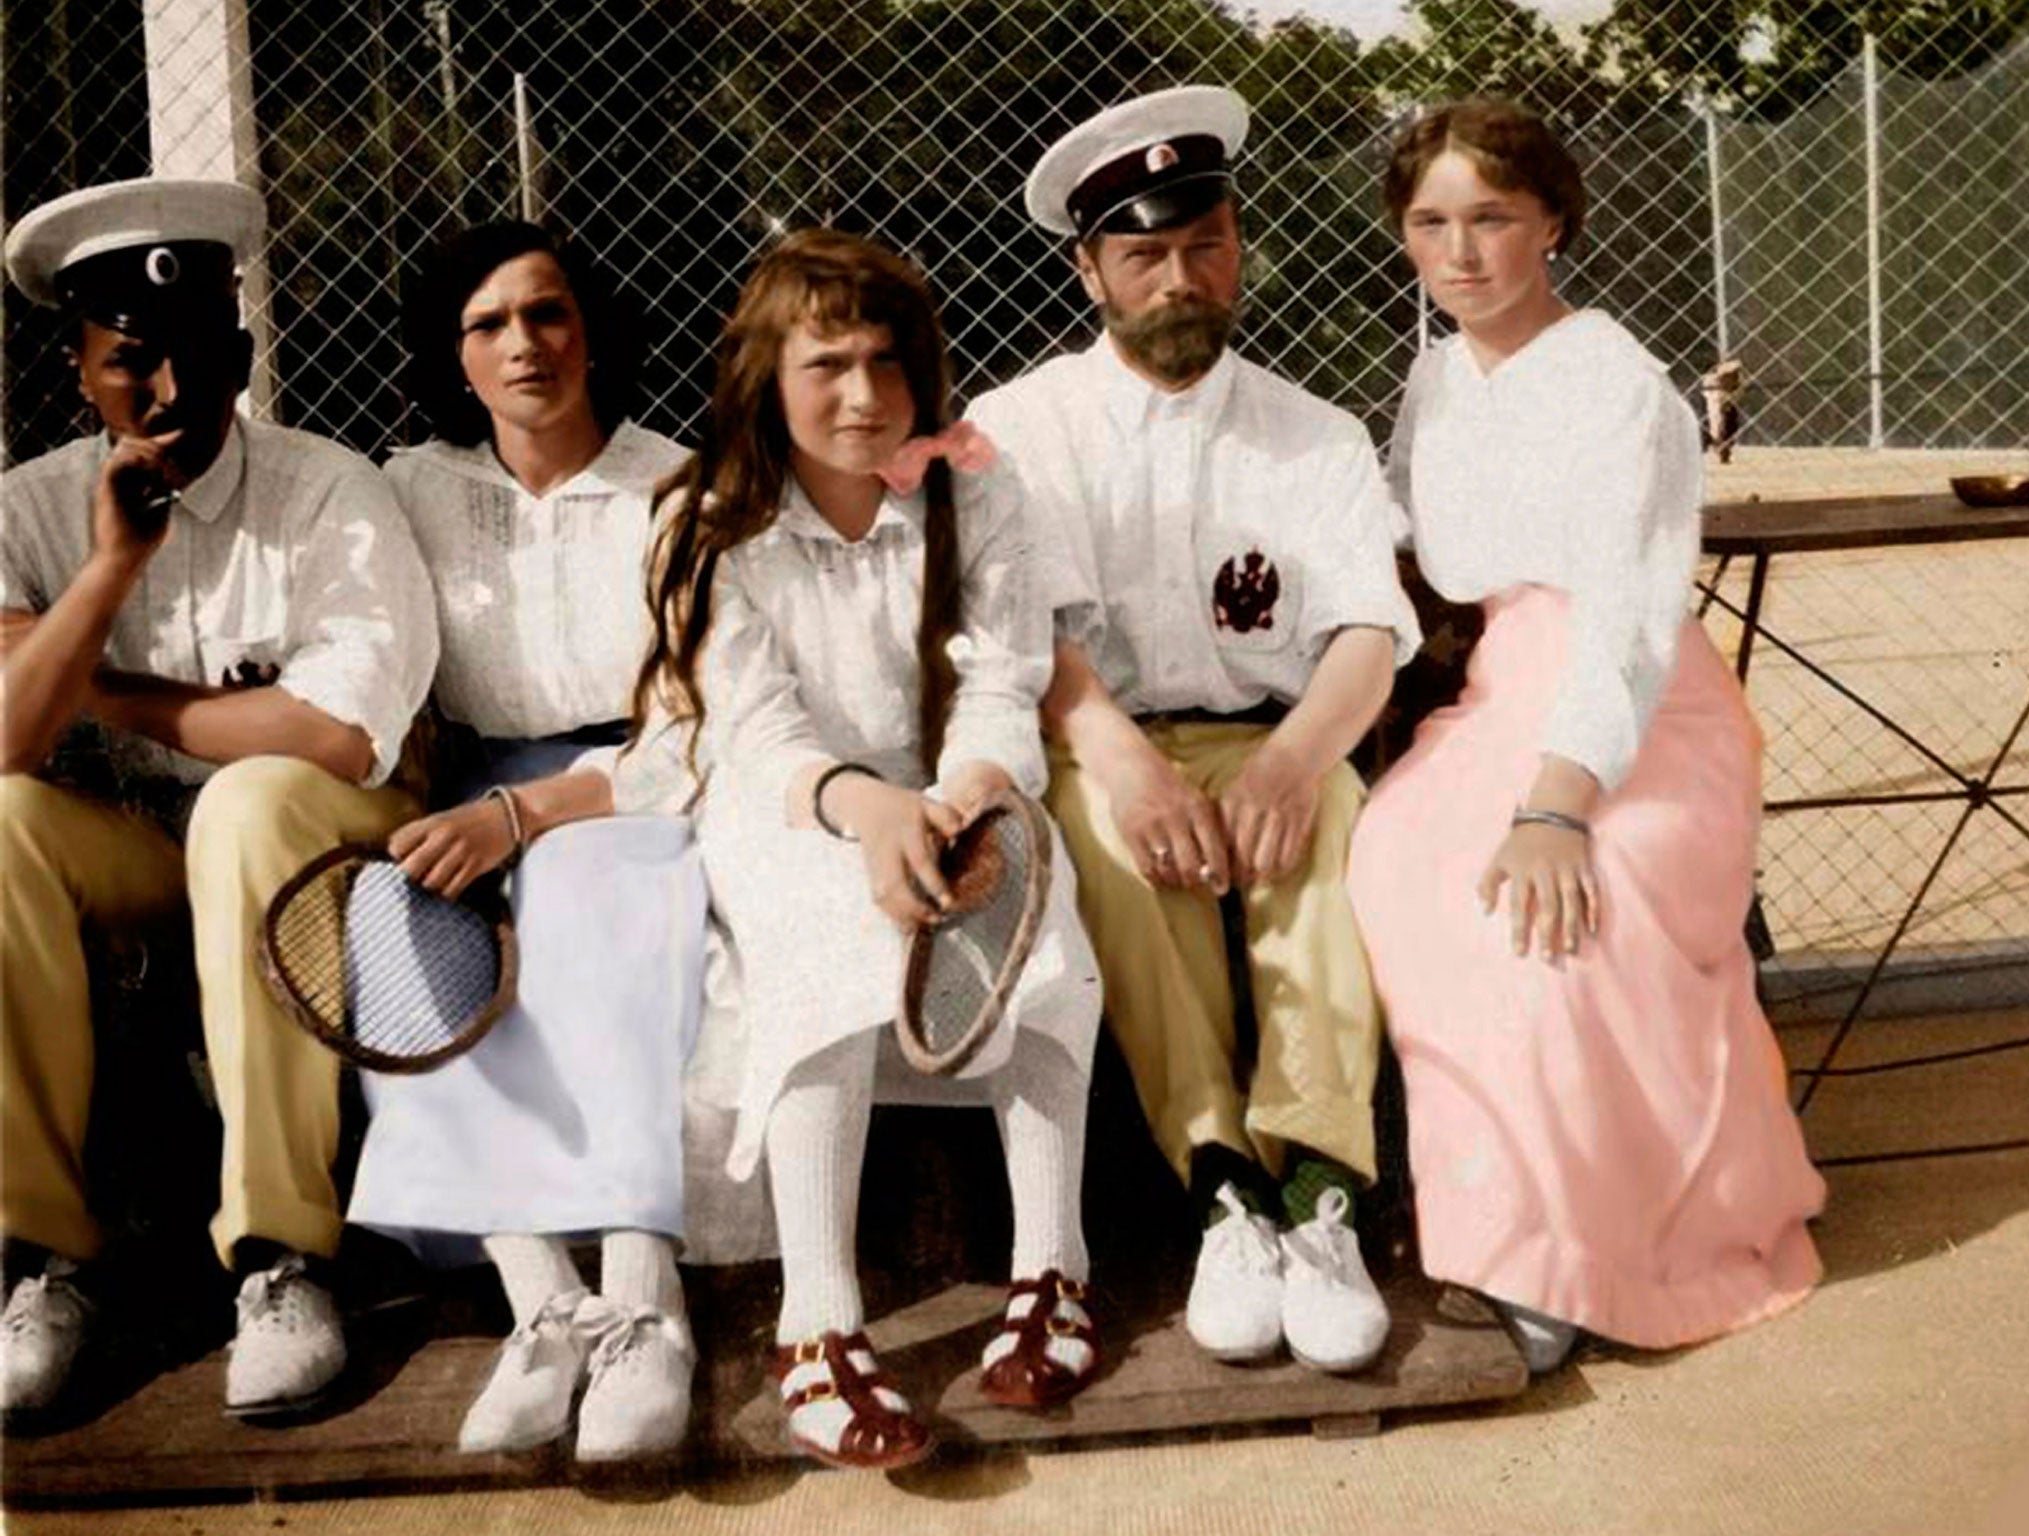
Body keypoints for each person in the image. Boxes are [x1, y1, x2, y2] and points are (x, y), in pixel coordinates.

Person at [1347, 99, 1825, 1373]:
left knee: (1554, 900)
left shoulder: (1619, 382)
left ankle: (1579, 1254)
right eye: (1429, 223)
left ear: (1550, 221)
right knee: (1397, 854)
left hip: (1632, 713)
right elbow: (1400, 529)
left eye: (1491, 219)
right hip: (1501, 692)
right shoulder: (1438, 372)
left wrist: (1558, 803)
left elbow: (1623, 615)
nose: (1459, 253)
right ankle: (1491, 1225)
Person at [966, 86, 1419, 1373]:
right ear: (1088, 268)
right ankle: (1222, 1182)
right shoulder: (1019, 427)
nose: (1180, 278)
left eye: (1203, 243)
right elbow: (1025, 637)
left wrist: (1291, 756)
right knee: (1116, 833)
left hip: (1261, 728)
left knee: (1328, 820)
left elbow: (1365, 634)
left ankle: (1318, 1187)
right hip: (1096, 732)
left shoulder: (1311, 430)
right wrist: (1115, 755)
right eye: (1143, 254)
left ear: (1237, 244)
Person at [637, 229, 1103, 1470]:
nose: (862, 396)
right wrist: (870, 813)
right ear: (763, 381)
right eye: (826, 364)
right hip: (788, 805)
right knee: (830, 935)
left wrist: (966, 803)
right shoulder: (704, 517)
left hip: (951, 789)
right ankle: (819, 1324)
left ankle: (1052, 1266)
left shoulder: (978, 488)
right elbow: (756, 730)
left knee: (1044, 927)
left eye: (887, 362)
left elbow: (1003, 682)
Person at [0, 178, 438, 1417]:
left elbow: (338, 735)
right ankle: (40, 1261)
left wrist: (94, 680)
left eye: (198, 357)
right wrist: (108, 574)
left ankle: (281, 1258)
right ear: (80, 370)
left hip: (328, 843)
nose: (171, 396)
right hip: (138, 851)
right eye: (131, 364)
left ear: (242, 354)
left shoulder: (327, 489)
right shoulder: (25, 507)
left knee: (251, 799)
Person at [339, 222, 706, 1461]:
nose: (522, 344)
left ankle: (646, 1307)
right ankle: (540, 1297)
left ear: (590, 332)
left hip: (637, 787)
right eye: (486, 324)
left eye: (545, 313)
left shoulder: (680, 485)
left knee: (592, 889)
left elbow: (696, 723)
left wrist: (527, 815)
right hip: (475, 789)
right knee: (384, 914)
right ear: (453, 358)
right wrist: (455, 812)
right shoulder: (405, 489)